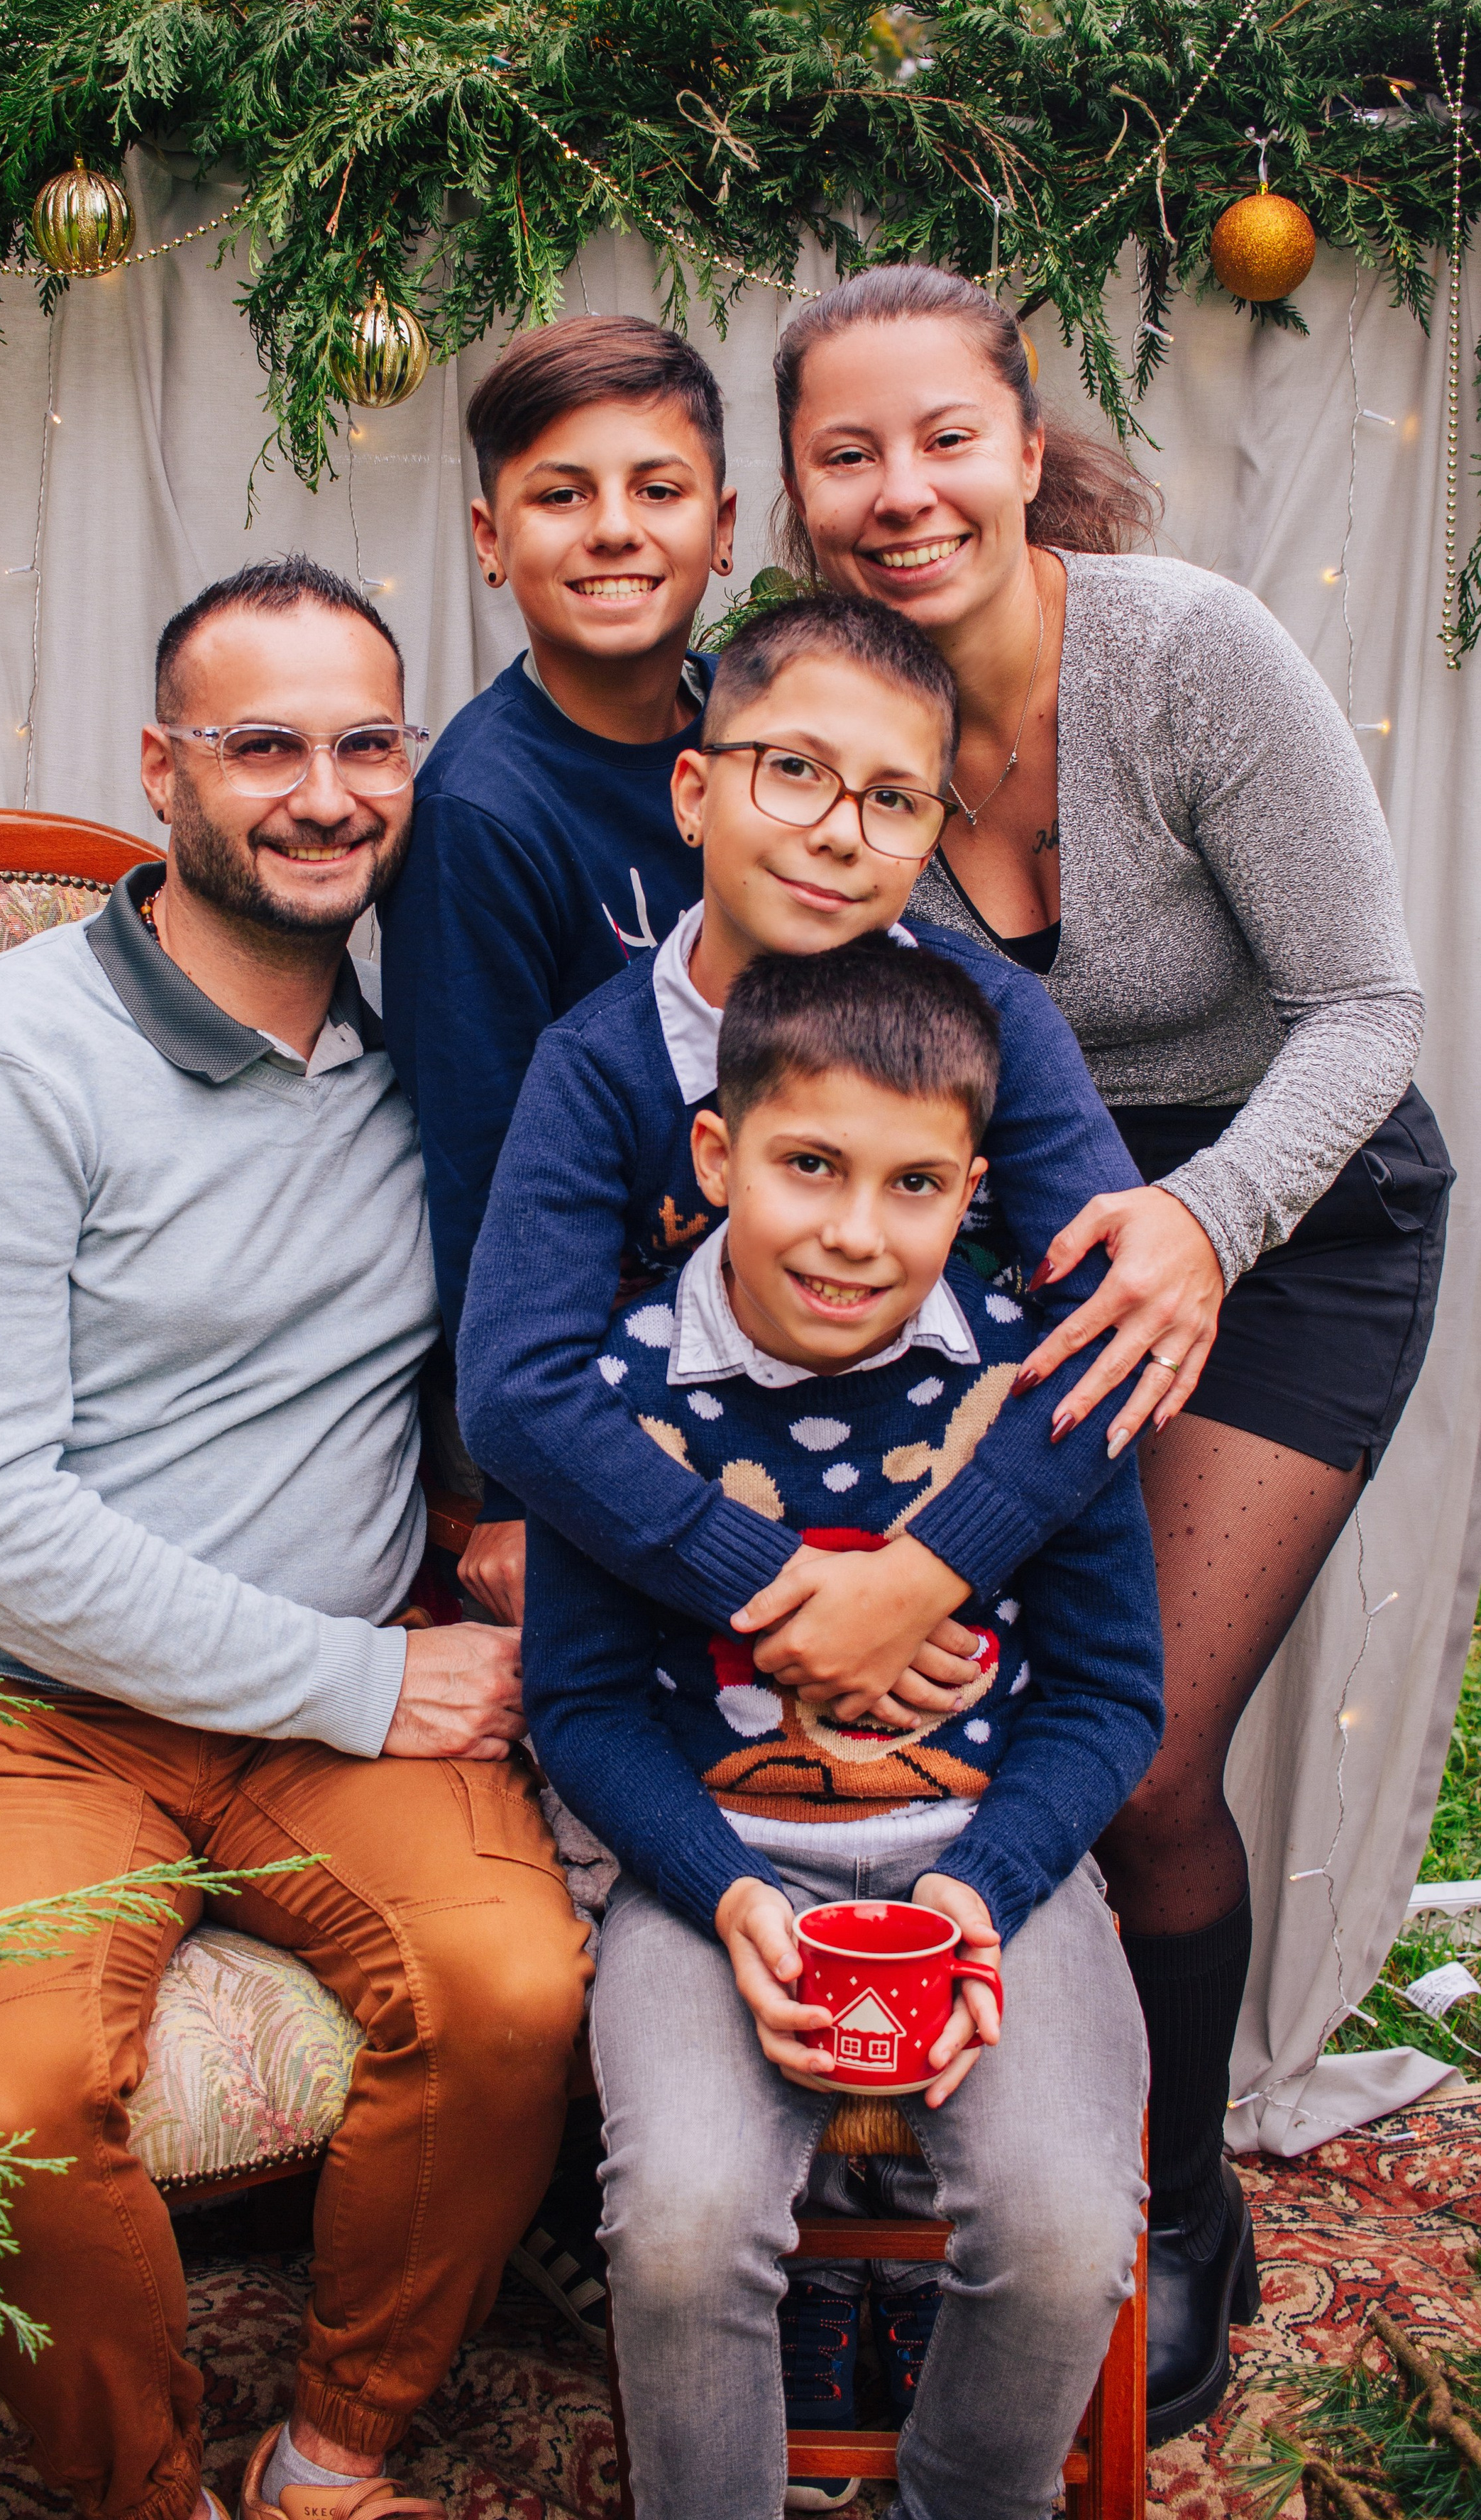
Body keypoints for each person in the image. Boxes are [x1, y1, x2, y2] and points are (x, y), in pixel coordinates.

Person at [771, 260, 1453, 2438]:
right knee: (958, 1727)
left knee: (1144, 1758)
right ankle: (934, 2187)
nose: (902, 491)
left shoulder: (1185, 653)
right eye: (849, 453)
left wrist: (1207, 1221)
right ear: (797, 488)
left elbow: (1367, 1010)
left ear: (1023, 443)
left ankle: (1178, 2208)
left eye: (943, 437)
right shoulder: (823, 712)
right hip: (1020, 1238)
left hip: (1295, 1209)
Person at [0, 555, 590, 2520]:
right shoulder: (8, 1057)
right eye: (264, 746)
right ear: (161, 767)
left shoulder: (432, 1068)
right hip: (22, 1708)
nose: (323, 795)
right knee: (9, 2092)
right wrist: (368, 1679)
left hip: (319, 1714)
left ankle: (331, 2457)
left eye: (367, 747)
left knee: (516, 1997)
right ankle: (148, 2495)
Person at [523, 937, 1165, 2520]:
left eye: (914, 1186)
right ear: (716, 1155)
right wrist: (722, 1889)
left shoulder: (1039, 1379)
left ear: (971, 1193)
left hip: (989, 1867)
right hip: (709, 1869)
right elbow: (581, 1705)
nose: (855, 1234)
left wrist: (978, 1891)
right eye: (808, 1165)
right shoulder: (616, 1398)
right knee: (678, 2227)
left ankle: (964, 2496)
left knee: (1067, 2231)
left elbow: (1106, 1696)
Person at [458, 592, 1147, 1735]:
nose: (838, 832)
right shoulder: (598, 1065)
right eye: (793, 770)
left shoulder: (997, 1023)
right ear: (694, 795)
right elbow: (517, 1390)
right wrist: (783, 1592)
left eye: (894, 800)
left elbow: (1112, 1329)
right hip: (686, 1587)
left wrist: (921, 1577)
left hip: (962, 1581)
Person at [378, 314, 737, 1628]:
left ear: (723, 526)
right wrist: (521, 1483)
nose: (614, 530)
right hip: (593, 1355)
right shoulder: (480, 815)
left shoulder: (767, 732)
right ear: (490, 539)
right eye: (561, 495)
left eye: (658, 490)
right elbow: (478, 1170)